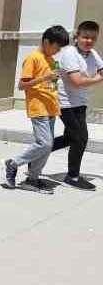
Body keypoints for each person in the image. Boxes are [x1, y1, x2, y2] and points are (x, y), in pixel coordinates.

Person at [2, 25, 70, 194]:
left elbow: (49, 86)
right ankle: (14, 163)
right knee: (44, 143)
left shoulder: (52, 60)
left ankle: (32, 179)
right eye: (57, 47)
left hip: (51, 108)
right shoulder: (33, 58)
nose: (58, 51)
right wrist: (45, 77)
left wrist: (55, 79)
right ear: (47, 42)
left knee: (48, 146)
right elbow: (22, 85)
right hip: (38, 106)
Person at [52, 20, 103, 190]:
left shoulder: (92, 53)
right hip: (66, 103)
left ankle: (35, 155)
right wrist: (98, 78)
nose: (89, 41)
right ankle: (72, 176)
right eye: (85, 37)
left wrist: (98, 75)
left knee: (70, 138)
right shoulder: (69, 53)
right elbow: (76, 82)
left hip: (80, 103)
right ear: (77, 36)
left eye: (93, 38)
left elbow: (101, 70)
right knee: (81, 138)